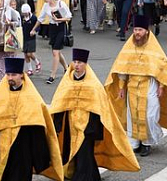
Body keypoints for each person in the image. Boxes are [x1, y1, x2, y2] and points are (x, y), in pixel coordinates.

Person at [50, 49, 140, 180]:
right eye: (74, 62)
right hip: (71, 124)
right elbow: (59, 104)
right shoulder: (67, 82)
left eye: (80, 62)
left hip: (87, 126)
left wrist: (92, 129)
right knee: (73, 152)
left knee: (85, 153)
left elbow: (98, 108)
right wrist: (57, 124)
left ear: (85, 64)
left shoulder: (93, 85)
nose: (76, 65)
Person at [105, 15, 167, 156]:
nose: (137, 33)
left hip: (149, 84)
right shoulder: (129, 46)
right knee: (133, 115)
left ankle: (147, 142)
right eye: (135, 29)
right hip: (132, 85)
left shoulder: (154, 48)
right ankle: (135, 142)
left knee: (149, 115)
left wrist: (161, 86)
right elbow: (122, 68)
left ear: (147, 31)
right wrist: (121, 87)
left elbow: (162, 67)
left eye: (140, 30)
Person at [0, 57, 64, 181]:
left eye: (13, 74)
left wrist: (39, 155)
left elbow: (39, 125)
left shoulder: (31, 97)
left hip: (24, 148)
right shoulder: (0, 95)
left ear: (21, 76)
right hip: (4, 146)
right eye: (8, 74)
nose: (10, 78)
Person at [30, 0, 71, 84]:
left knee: (55, 52)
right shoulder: (46, 6)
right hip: (52, 28)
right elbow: (40, 19)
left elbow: (69, 17)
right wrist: (33, 29)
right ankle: (66, 67)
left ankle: (52, 75)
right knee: (56, 51)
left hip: (61, 27)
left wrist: (59, 20)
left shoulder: (61, 4)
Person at [21, 3, 40, 76]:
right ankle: (30, 69)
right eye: (23, 13)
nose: (24, 14)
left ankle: (37, 62)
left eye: (26, 13)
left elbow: (38, 26)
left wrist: (34, 31)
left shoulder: (34, 18)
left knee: (29, 53)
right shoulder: (22, 18)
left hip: (31, 38)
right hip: (24, 38)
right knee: (25, 54)